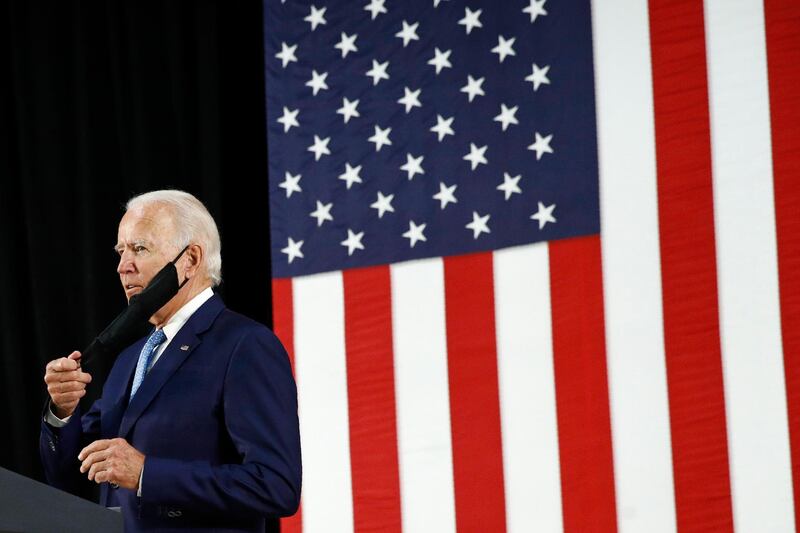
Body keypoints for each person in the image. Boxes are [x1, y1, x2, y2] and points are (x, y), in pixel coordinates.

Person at [40, 190, 301, 532]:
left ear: (190, 259)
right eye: (121, 251)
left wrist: (147, 474)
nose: (123, 267)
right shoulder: (130, 359)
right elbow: (70, 473)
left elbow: (276, 485)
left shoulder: (244, 345)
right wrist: (62, 411)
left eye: (139, 249)